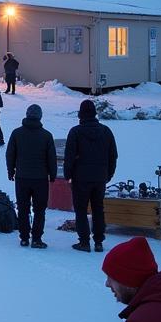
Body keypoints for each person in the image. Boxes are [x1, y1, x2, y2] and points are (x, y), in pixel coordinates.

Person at [64, 99, 118, 252]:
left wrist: (68, 176)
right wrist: (108, 175)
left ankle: (84, 242)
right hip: (100, 178)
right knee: (98, 209)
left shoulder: (75, 132)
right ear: (95, 114)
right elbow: (113, 155)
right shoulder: (106, 131)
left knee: (80, 210)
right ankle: (99, 242)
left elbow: (69, 157)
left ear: (80, 115)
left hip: (80, 178)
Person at [6, 104, 57, 248]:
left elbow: (10, 154)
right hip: (40, 179)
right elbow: (51, 158)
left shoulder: (17, 133)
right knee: (39, 210)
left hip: (22, 177)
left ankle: (23, 237)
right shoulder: (46, 135)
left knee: (23, 208)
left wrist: (11, 171)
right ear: (40, 117)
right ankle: (36, 239)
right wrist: (52, 175)